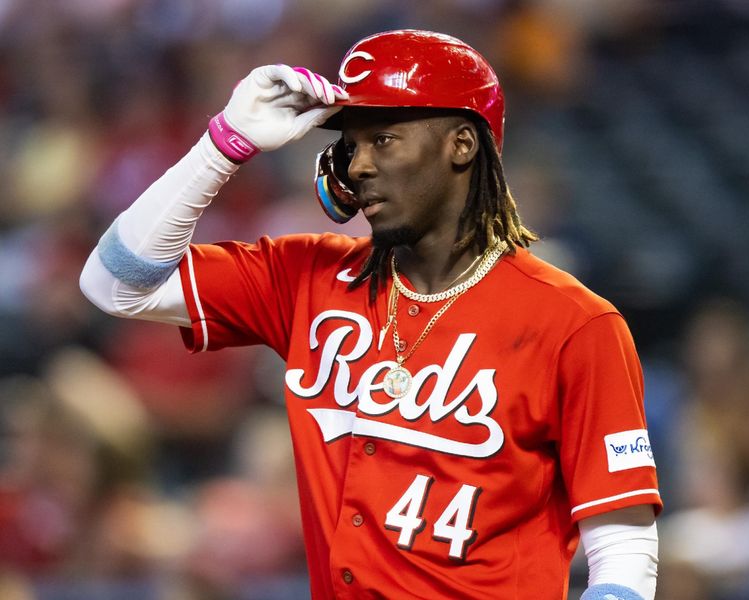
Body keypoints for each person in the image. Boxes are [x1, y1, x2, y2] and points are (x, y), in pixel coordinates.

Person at [80, 29, 661, 600]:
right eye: (350, 145)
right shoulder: (306, 277)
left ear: (462, 144)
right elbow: (115, 283)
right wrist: (222, 145)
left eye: (383, 139)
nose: (356, 165)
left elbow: (625, 554)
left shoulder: (576, 325)